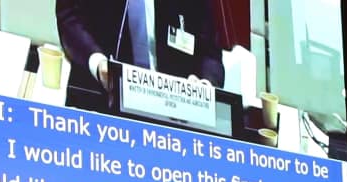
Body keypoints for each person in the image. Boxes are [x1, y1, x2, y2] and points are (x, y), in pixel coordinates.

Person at [56, 0, 225, 107]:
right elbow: (69, 16)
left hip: (173, 110)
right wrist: (98, 63)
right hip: (100, 98)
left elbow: (210, 51)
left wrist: (206, 85)